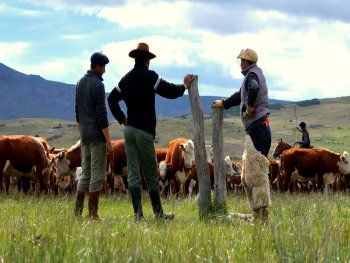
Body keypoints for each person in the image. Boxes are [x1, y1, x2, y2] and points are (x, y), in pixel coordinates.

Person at [108, 42, 194, 221]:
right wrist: (184, 86)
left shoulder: (126, 79)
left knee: (133, 173)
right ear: (147, 60)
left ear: (135, 59)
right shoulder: (150, 77)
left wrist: (122, 118)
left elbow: (111, 99)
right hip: (144, 132)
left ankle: (138, 214)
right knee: (151, 173)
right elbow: (169, 91)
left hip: (130, 131)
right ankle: (158, 214)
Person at [74, 52, 113, 219]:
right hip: (97, 137)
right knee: (96, 174)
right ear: (98, 66)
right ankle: (93, 215)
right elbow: (101, 116)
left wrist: (81, 136)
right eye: (103, 67)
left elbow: (77, 113)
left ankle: (77, 213)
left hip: (85, 137)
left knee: (85, 174)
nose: (104, 71)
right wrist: (109, 141)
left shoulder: (79, 82)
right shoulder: (98, 84)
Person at [211, 48, 271, 157]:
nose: (240, 64)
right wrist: (224, 103)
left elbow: (254, 87)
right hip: (260, 126)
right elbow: (240, 95)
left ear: (246, 62)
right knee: (258, 166)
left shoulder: (252, 75)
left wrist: (250, 107)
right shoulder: (256, 73)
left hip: (257, 127)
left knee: (257, 167)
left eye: (241, 61)